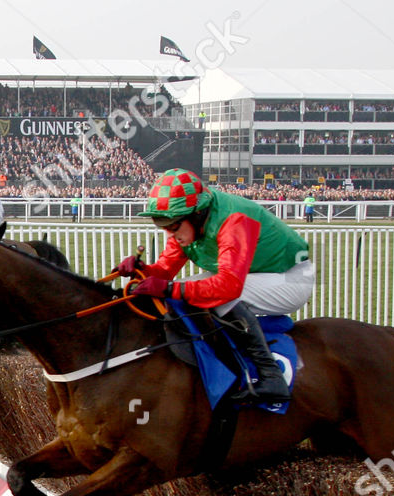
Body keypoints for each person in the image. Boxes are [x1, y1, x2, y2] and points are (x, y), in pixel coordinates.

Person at [118, 169, 314, 404]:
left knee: (213, 294)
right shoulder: (191, 223)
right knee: (183, 287)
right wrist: (142, 270)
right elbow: (165, 272)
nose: (168, 233)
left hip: (288, 278)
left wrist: (168, 289)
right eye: (163, 226)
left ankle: (271, 376)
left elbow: (227, 287)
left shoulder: (234, 220)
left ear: (197, 213)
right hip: (255, 274)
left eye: (173, 226)